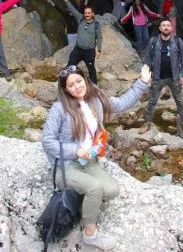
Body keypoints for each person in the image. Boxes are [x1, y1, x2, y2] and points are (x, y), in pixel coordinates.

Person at [41, 64, 151, 250]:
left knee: (112, 190)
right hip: (66, 166)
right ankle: (89, 233)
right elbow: (47, 141)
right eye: (71, 85)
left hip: (89, 161)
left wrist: (142, 83)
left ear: (85, 79)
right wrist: (75, 150)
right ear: (65, 89)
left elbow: (122, 103)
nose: (77, 86)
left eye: (78, 81)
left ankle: (81, 204)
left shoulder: (96, 99)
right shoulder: (59, 109)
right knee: (95, 188)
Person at [140, 18, 183, 139]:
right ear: (160, 28)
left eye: (168, 25)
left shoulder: (177, 41)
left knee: (179, 101)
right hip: (157, 77)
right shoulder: (153, 41)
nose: (166, 27)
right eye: (163, 25)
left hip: (174, 77)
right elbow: (147, 59)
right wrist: (148, 76)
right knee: (152, 101)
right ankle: (147, 123)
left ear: (171, 28)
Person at [58, 0, 102, 85]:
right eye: (85, 13)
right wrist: (66, 0)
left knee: (91, 68)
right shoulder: (80, 19)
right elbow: (72, 10)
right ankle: (63, 82)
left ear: (93, 14)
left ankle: (94, 85)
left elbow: (99, 38)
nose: (87, 15)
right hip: (77, 49)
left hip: (89, 51)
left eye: (89, 13)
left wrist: (99, 49)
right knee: (70, 65)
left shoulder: (97, 25)